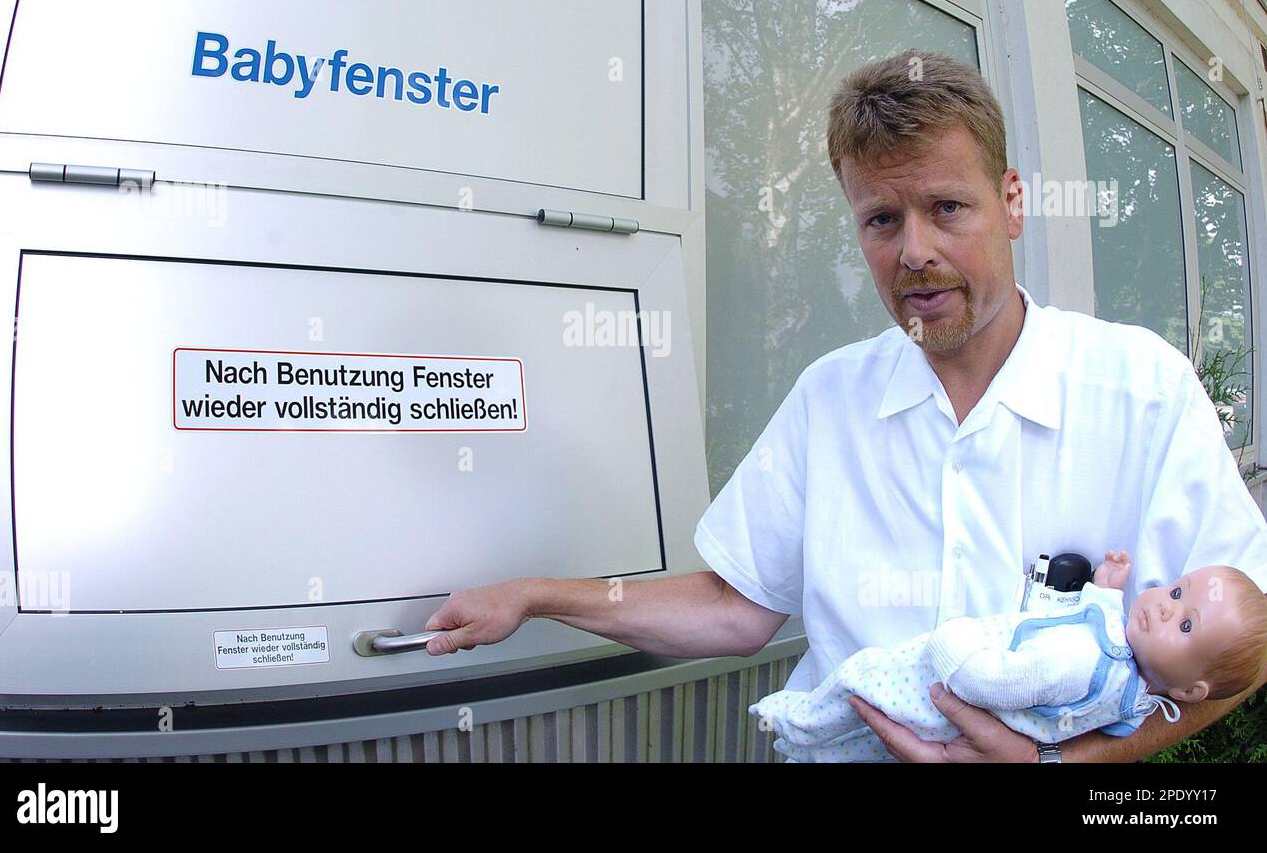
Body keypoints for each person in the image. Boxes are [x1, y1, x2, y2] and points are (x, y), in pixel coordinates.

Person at [422, 49, 1267, 762]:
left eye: (946, 207)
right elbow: (735, 607)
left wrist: (1068, 761)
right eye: (881, 219)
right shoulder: (830, 398)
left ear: (1011, 203)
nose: (915, 252)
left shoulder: (1141, 390)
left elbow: (1244, 653)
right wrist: (536, 595)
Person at [752, 553, 1267, 761]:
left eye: (1184, 625)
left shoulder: (1081, 661)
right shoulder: (1130, 685)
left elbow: (993, 684)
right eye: (1177, 591)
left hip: (946, 691)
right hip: (958, 726)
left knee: (859, 681)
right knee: (869, 743)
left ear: (1191, 691)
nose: (1159, 608)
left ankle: (794, 723)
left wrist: (949, 643)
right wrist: (1106, 590)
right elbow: (1108, 633)